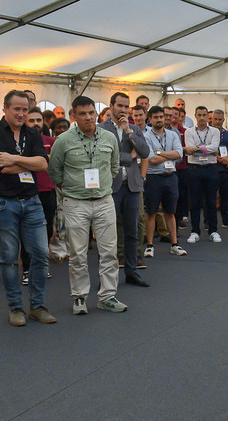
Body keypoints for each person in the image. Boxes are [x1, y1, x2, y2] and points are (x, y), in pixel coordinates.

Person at [0, 90, 54, 327]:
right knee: (10, 258)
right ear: (6, 109)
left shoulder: (32, 133)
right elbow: (0, 167)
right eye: (17, 109)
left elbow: (43, 163)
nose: (22, 114)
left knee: (41, 253)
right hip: (3, 202)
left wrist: (14, 159)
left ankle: (37, 306)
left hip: (31, 200)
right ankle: (15, 308)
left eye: (25, 109)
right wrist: (28, 163)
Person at [48, 96, 125, 314]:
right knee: (78, 254)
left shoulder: (109, 138)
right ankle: (79, 297)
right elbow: (54, 171)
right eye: (82, 114)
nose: (88, 117)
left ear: (96, 113)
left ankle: (107, 296)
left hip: (104, 201)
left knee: (109, 252)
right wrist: (72, 189)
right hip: (75, 203)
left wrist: (103, 186)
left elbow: (114, 167)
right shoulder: (63, 140)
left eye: (91, 112)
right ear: (74, 116)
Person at [99, 92, 150, 287]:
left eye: (126, 107)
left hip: (132, 186)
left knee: (132, 232)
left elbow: (145, 152)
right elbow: (104, 156)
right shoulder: (101, 129)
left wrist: (128, 131)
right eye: (120, 106)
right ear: (111, 106)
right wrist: (130, 156)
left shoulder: (134, 128)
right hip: (111, 187)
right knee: (108, 234)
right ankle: (106, 276)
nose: (123, 110)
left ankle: (131, 271)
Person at [141, 106, 186, 257]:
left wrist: (159, 152)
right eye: (156, 117)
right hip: (153, 178)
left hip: (170, 176)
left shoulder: (173, 134)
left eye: (161, 116)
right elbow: (151, 159)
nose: (159, 119)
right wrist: (168, 155)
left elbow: (179, 154)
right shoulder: (146, 136)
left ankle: (174, 244)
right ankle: (149, 246)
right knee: (151, 213)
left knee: (170, 212)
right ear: (150, 119)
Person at [22, 107, 58, 283]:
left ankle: (42, 266)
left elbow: (55, 164)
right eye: (31, 120)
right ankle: (27, 269)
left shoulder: (51, 141)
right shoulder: (19, 141)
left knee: (46, 230)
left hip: (48, 191)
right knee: (26, 232)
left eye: (38, 120)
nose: (36, 124)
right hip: (26, 192)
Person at [184, 106, 223, 243]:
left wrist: (197, 148)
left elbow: (215, 148)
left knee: (211, 201)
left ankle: (213, 230)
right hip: (194, 168)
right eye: (199, 115)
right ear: (195, 116)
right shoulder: (189, 132)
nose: (201, 118)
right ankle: (195, 231)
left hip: (210, 168)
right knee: (194, 202)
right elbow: (189, 150)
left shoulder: (214, 131)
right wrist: (206, 149)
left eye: (204, 115)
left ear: (208, 116)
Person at [211, 109, 228, 227]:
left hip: (227, 169)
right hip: (212, 169)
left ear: (223, 120)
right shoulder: (208, 133)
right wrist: (220, 159)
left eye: (220, 119)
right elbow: (205, 149)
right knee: (210, 197)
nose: (217, 122)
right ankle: (209, 221)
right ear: (212, 119)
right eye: (215, 119)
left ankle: (227, 219)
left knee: (226, 196)